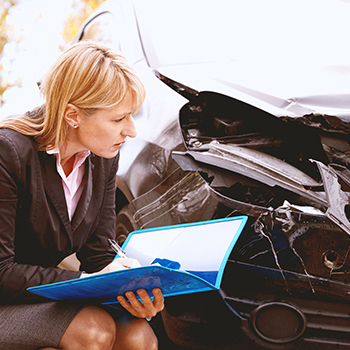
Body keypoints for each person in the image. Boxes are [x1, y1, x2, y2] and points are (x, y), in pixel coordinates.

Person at [0, 41, 164, 350]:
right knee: (93, 330)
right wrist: (85, 281)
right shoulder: (7, 153)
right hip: (4, 299)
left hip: (37, 298)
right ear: (73, 115)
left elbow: (98, 253)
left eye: (132, 116)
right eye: (118, 119)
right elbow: (1, 271)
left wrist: (133, 287)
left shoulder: (101, 157)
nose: (131, 130)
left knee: (137, 334)